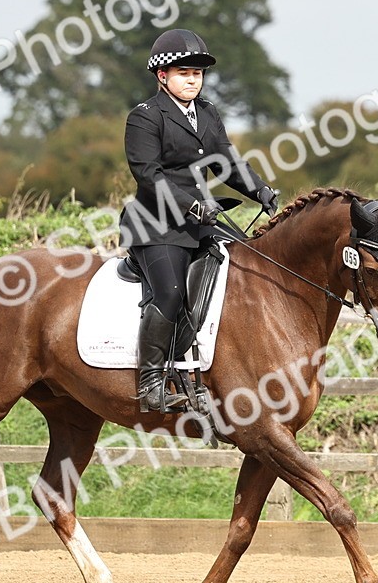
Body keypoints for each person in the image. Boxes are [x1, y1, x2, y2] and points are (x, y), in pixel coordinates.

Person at [119, 28, 278, 412]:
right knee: (172, 293)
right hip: (156, 224)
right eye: (184, 73)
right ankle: (152, 383)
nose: (193, 79)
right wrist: (192, 205)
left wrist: (259, 190)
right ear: (163, 77)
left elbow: (226, 162)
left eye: (198, 73)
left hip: (201, 220)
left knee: (246, 271)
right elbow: (149, 175)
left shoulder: (207, 113)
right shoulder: (144, 117)